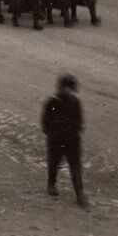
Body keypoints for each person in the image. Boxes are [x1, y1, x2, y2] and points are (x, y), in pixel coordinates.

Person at [41, 74, 87, 208]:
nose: (68, 92)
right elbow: (45, 121)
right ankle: (51, 184)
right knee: (54, 163)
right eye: (67, 89)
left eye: (70, 89)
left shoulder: (75, 102)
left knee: (75, 167)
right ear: (61, 88)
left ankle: (80, 194)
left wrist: (76, 131)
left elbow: (79, 121)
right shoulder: (52, 102)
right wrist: (51, 134)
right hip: (56, 139)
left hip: (72, 140)